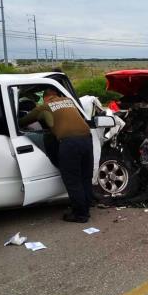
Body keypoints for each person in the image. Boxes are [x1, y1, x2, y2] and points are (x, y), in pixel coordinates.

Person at [20, 87, 93, 223]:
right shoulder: (69, 101)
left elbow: (23, 122)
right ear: (57, 94)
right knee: (85, 176)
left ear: (46, 97)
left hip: (69, 143)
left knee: (72, 179)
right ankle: (86, 206)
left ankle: (80, 215)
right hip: (87, 139)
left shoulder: (44, 106)